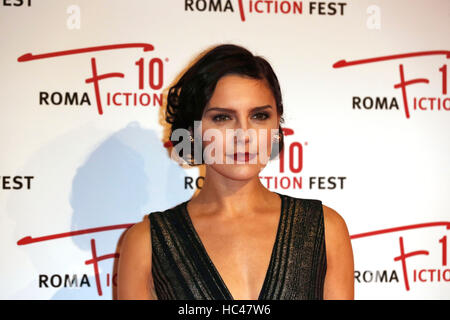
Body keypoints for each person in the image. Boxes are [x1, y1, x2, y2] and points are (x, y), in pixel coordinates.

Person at [117, 44, 354, 300]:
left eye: (260, 116)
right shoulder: (147, 244)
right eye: (222, 118)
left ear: (277, 125)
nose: (244, 135)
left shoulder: (325, 229)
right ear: (193, 131)